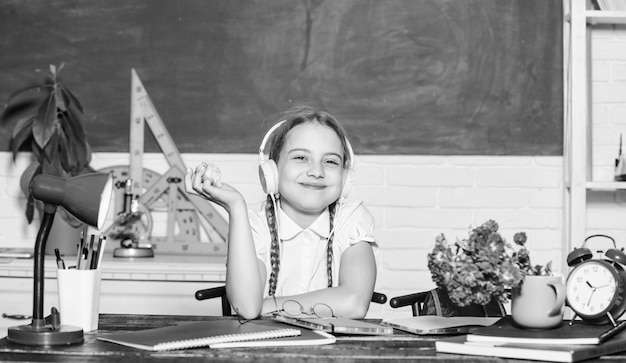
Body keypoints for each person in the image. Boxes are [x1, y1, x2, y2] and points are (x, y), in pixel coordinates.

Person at [184, 106, 377, 320]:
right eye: (301, 158)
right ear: (271, 171)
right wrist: (235, 206)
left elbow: (354, 303)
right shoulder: (254, 225)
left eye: (330, 161)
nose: (316, 171)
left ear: (345, 177)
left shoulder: (351, 219)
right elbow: (248, 307)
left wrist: (267, 306)